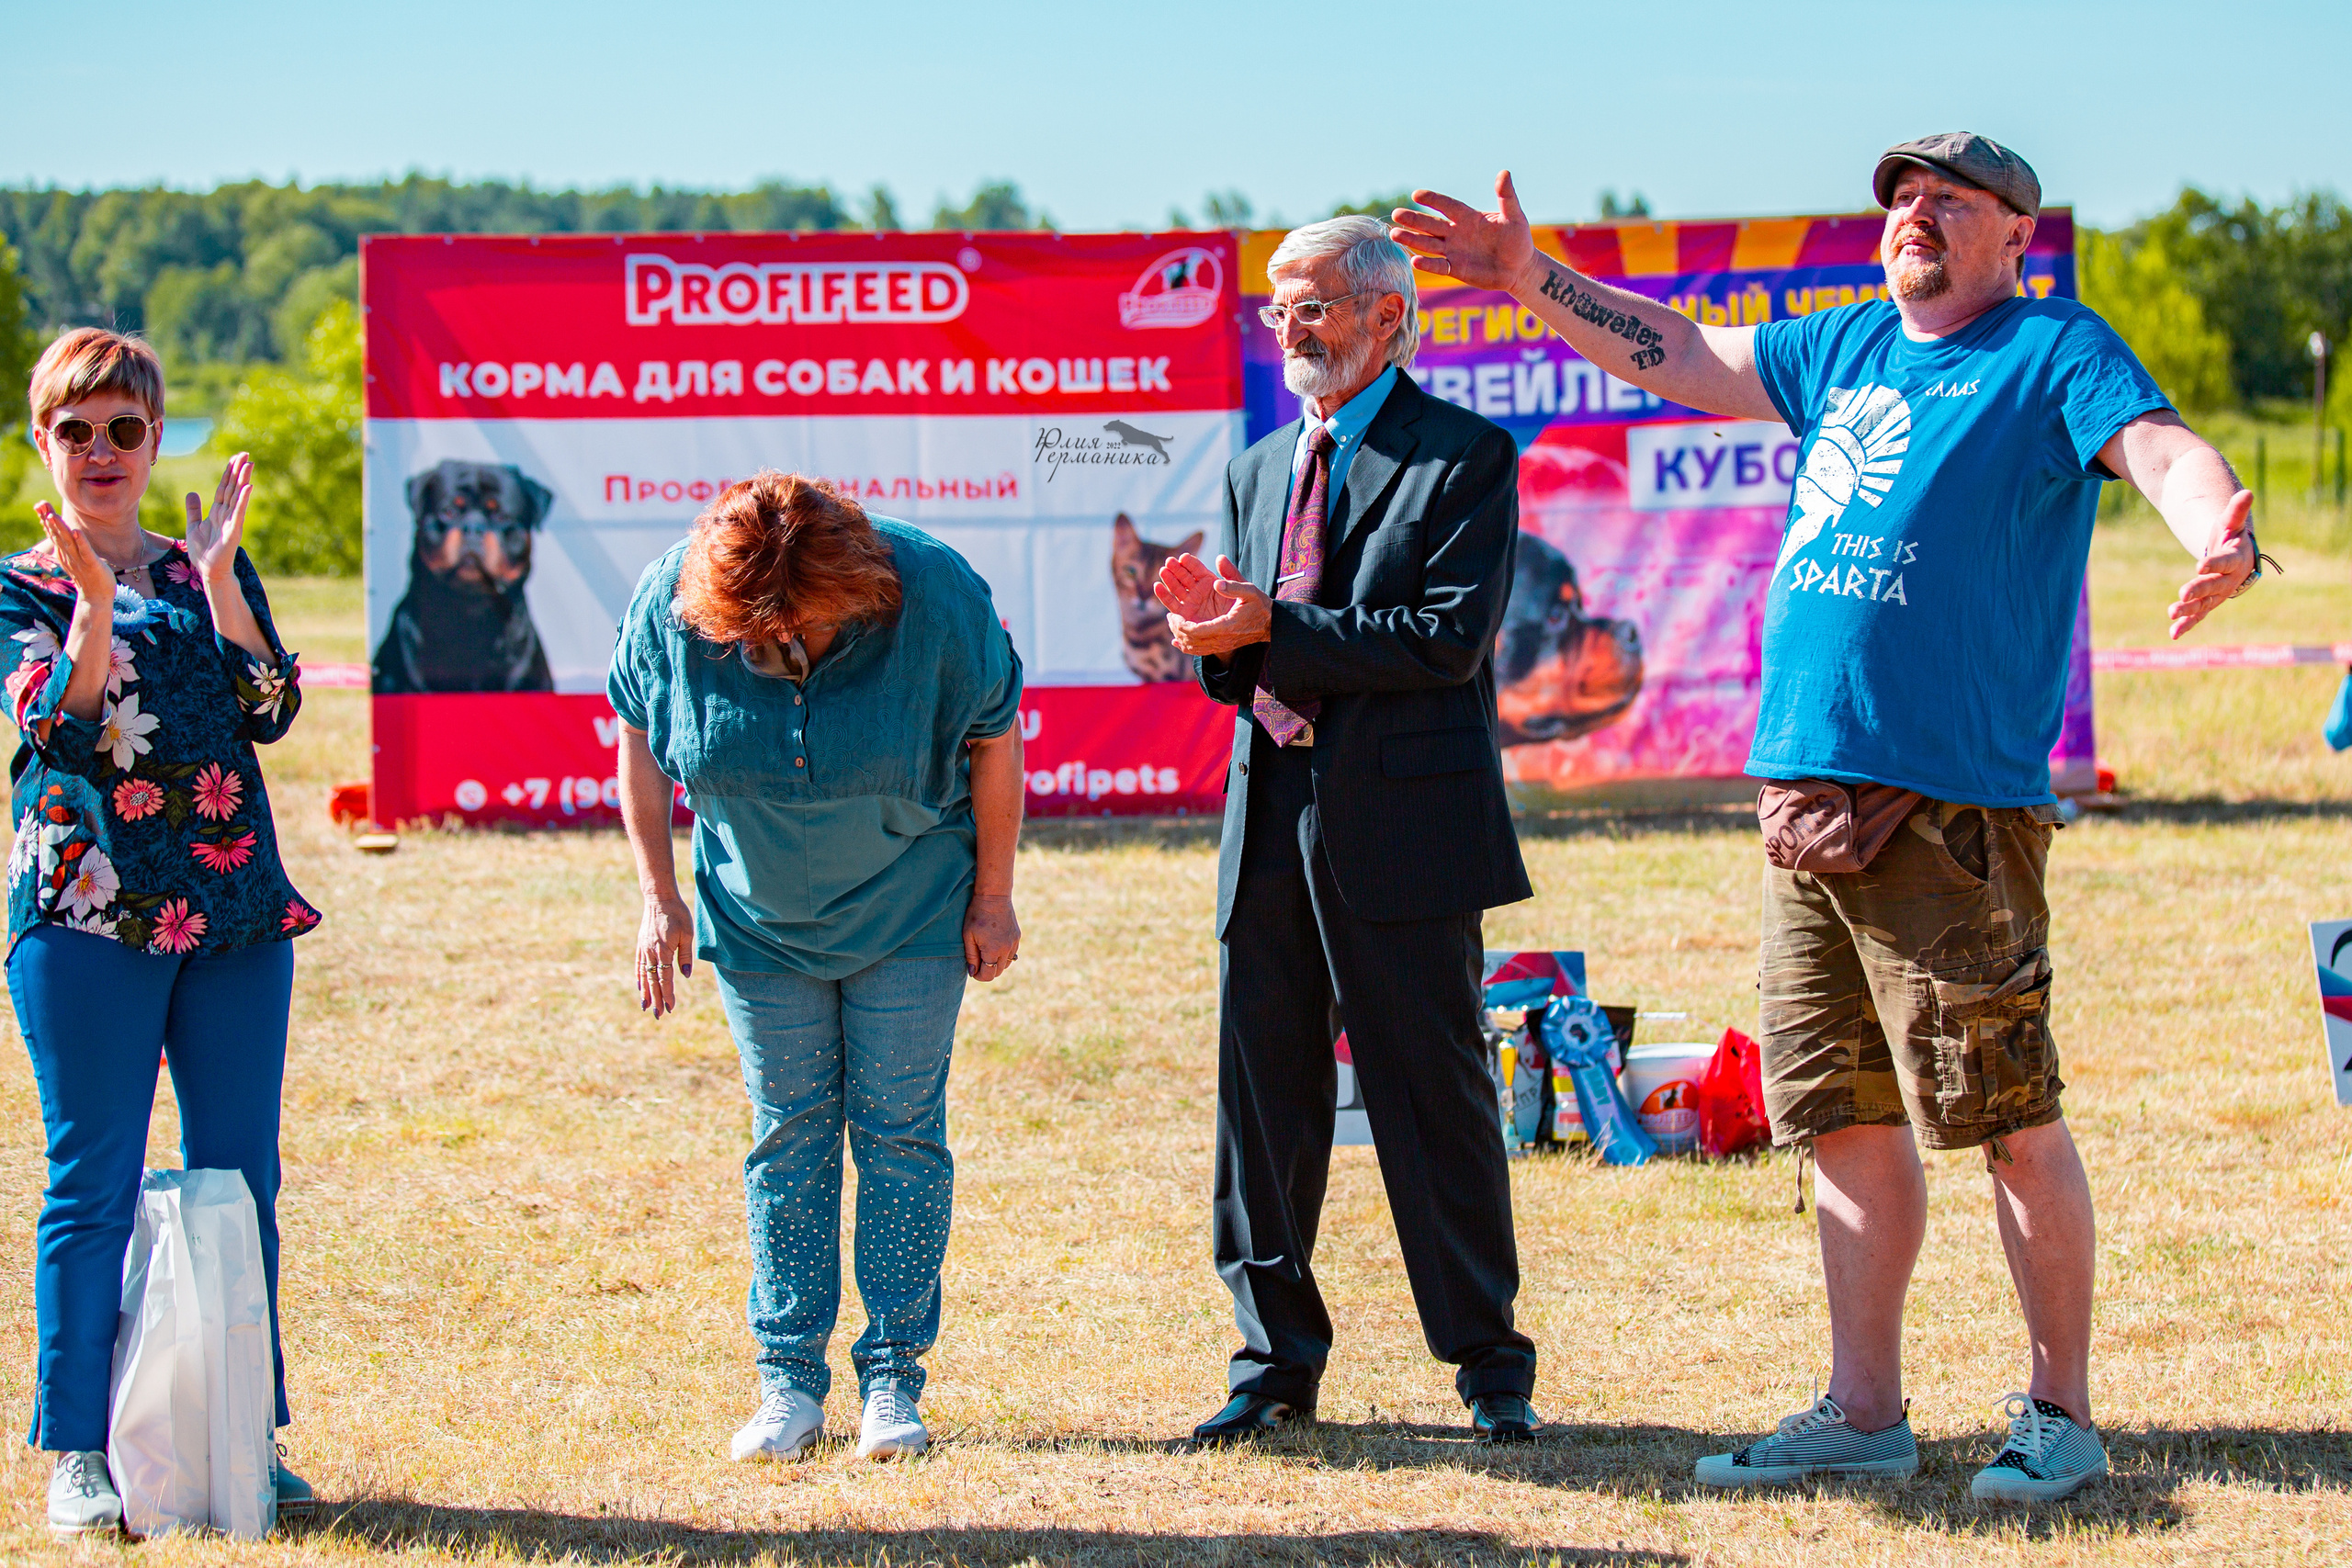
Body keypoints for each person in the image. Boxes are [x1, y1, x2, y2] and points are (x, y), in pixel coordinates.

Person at [1396, 134, 2266, 1501]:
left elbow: (2158, 447)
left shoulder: (2051, 351)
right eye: (1904, 198)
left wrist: (2217, 525)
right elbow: (1679, 352)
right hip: (1803, 801)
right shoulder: (1847, 344)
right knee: (1842, 1113)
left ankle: (2062, 1412)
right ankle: (1865, 1407)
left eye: (1951, 200)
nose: (1917, 213)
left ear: (2013, 240)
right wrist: (1528, 277)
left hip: (1948, 805)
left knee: (2006, 1112)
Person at [1153, 216, 1542, 1446]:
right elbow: (1261, 648)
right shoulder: (1262, 464)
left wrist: (1263, 622)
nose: (1287, 329)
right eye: (1277, 309)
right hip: (1268, 812)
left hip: (1404, 825)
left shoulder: (1466, 455)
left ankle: (1489, 1362)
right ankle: (1271, 1365)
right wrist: (1218, 638)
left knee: (1433, 1097)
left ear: (1386, 316)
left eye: (1309, 305)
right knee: (1260, 1104)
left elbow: (1442, 640)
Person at [609, 470, 1023, 1463]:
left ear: (856, 590)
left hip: (912, 905)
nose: (775, 641)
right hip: (756, 919)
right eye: (748, 632)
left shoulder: (935, 595)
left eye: (795, 622)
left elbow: (994, 742)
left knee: (898, 1134)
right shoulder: (670, 600)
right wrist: (659, 896)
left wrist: (995, 896)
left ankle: (891, 1380)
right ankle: (788, 1382)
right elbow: (637, 738)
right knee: (787, 1138)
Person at [3, 329, 322, 1535]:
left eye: (123, 429)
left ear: (154, 439)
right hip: (85, 915)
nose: (100, 451)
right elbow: (57, 734)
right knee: (91, 1183)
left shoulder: (200, 571)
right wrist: (92, 606)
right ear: (44, 440)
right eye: (75, 429)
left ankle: (246, 1429)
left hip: (234, 909)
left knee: (244, 1180)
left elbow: (273, 704)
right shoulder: (19, 586)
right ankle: (77, 1449)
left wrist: (227, 572)